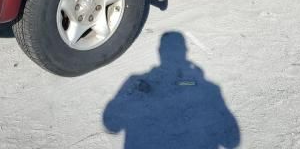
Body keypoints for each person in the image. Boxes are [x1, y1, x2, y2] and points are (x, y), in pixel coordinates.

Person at [103, 32, 240, 149]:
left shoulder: (138, 80)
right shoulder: (208, 88)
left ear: (159, 51)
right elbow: (232, 140)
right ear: (185, 51)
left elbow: (112, 124)